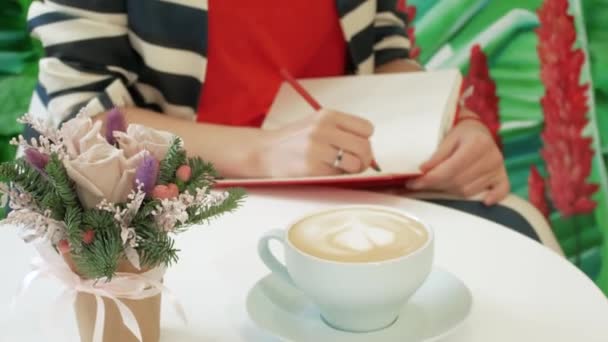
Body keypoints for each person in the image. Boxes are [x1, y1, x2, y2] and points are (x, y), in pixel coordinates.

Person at [26, 0, 539, 240]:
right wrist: (264, 151)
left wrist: (455, 124)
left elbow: (384, 47)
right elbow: (76, 124)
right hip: (163, 219)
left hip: (350, 200)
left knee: (521, 244)